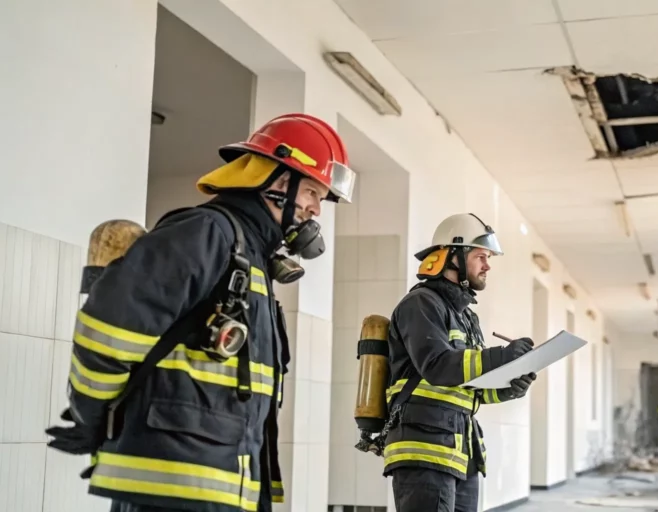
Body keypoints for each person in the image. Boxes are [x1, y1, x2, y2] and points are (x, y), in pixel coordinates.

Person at [43, 113, 356, 512]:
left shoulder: (249, 256)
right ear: (279, 182)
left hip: (211, 487)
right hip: (175, 486)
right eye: (312, 192)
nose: (316, 210)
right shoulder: (206, 233)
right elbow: (109, 329)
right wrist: (93, 418)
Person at [384, 213, 538, 512]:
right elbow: (439, 365)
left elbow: (468, 385)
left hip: (460, 451)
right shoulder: (421, 304)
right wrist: (502, 356)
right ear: (453, 256)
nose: (487, 265)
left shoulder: (466, 316)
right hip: (425, 450)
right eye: (481, 256)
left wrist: (508, 387)